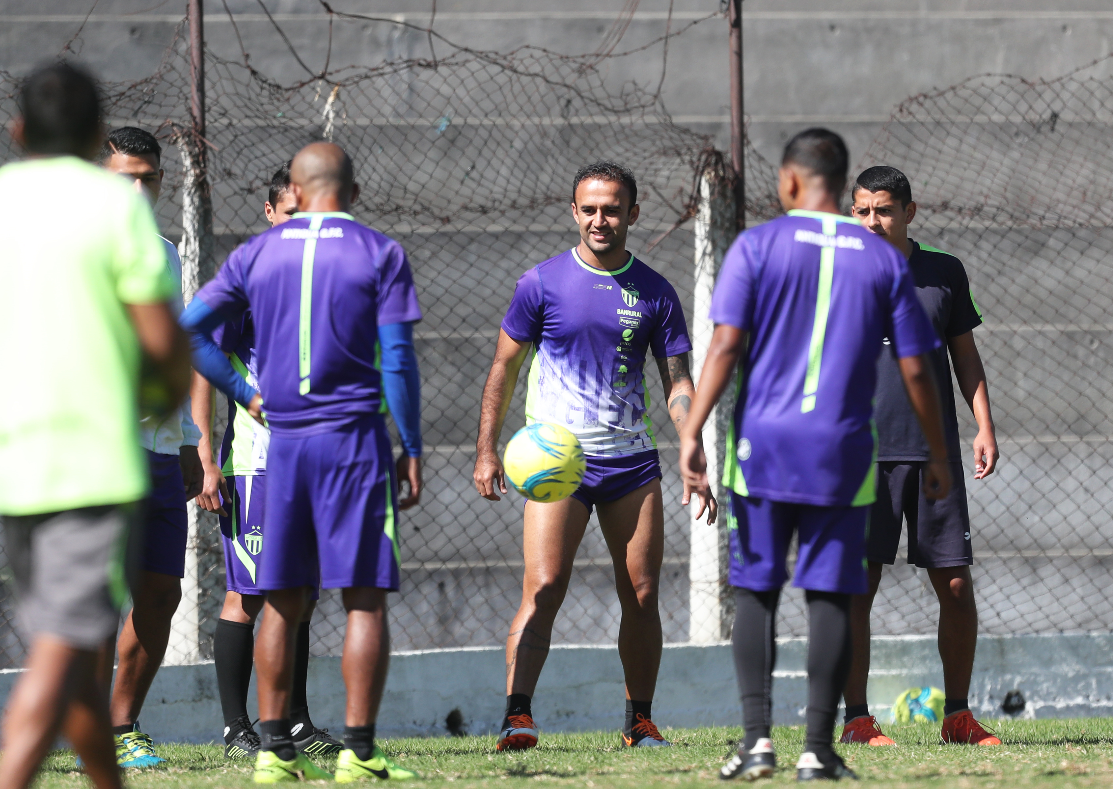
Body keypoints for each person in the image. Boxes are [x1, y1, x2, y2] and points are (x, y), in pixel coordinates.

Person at [678, 129, 951, 781]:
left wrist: (692, 432)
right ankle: (818, 749)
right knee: (830, 594)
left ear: (790, 181)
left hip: (764, 449)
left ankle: (756, 742)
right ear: (841, 182)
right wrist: (938, 451)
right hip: (843, 452)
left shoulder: (756, 246)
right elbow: (916, 367)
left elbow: (723, 347)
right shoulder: (881, 258)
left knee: (757, 590)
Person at [181, 142, 424, 782]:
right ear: (354, 191)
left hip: (284, 445)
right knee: (363, 600)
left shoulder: (255, 253)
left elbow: (190, 330)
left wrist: (248, 395)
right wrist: (412, 445)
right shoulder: (380, 252)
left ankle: (272, 751)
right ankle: (359, 753)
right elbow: (399, 360)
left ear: (295, 189)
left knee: (282, 601)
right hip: (355, 444)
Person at [474, 161, 716, 752]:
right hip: (557, 465)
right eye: (589, 209)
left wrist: (692, 443)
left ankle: (640, 722)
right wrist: (486, 450)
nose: (599, 219)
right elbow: (504, 367)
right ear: (574, 211)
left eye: (611, 209)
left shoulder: (656, 292)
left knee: (642, 593)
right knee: (544, 586)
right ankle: (517, 717)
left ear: (632, 213)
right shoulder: (541, 283)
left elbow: (678, 382)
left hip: (632, 463)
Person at [0, 62, 191, 789]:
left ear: (19, 131)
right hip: (92, 460)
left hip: (18, 462)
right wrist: (159, 393)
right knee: (64, 646)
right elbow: (165, 351)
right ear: (94, 136)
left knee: (78, 634)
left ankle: (111, 754)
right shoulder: (113, 216)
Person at [840, 166, 1001, 747]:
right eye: (862, 211)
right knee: (856, 590)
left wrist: (984, 425)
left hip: (934, 457)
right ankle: (857, 720)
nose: (872, 222)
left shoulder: (944, 271)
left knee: (955, 586)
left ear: (909, 212)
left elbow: (966, 357)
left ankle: (957, 717)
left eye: (883, 210)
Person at [192, 162, 340, 759]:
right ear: (270, 213)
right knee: (250, 596)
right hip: (257, 465)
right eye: (292, 214)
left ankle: (296, 724)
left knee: (301, 594)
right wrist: (205, 454)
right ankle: (236, 729)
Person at [99, 124, 205, 768]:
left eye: (148, 179)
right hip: (100, 452)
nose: (137, 192)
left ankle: (123, 726)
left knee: (161, 593)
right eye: (124, 180)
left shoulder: (166, 253)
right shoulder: (77, 249)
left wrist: (189, 439)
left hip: (162, 453)